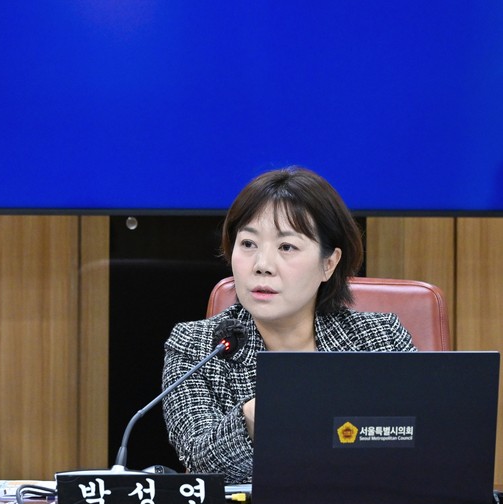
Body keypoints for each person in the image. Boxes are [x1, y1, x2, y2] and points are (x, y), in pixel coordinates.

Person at [161, 166, 415, 484]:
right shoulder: (197, 346)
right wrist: (254, 416)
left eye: (287, 247)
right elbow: (199, 461)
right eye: (248, 244)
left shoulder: (381, 340)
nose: (262, 265)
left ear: (329, 263)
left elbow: (421, 449)